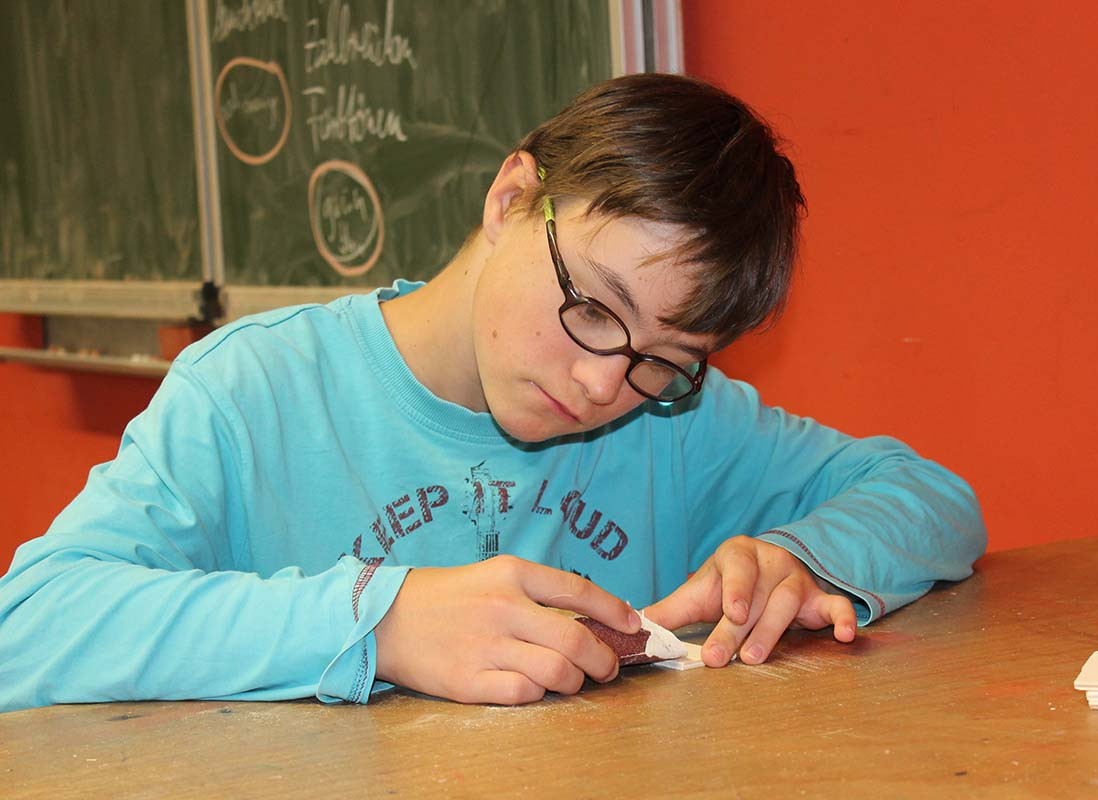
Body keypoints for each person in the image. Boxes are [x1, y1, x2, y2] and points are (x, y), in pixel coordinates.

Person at [0, 73, 985, 712]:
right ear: (512, 199)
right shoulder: (254, 391)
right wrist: (378, 621)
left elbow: (933, 497)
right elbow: (29, 625)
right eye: (592, 307)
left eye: (663, 355)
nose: (604, 381)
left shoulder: (677, 418)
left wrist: (798, 560)